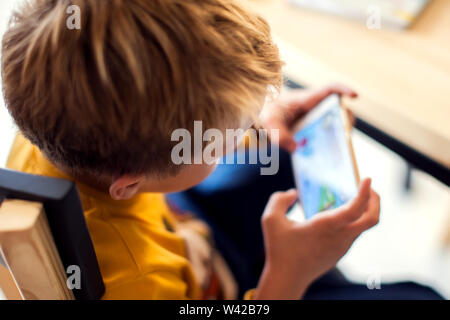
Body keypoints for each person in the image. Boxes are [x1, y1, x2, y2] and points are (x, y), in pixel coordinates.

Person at [3, 0, 437, 300]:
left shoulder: (55, 112)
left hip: (185, 222)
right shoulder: (139, 281)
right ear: (130, 181)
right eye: (223, 138)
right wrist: (288, 275)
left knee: (279, 151)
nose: (243, 134)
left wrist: (256, 115)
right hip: (231, 289)